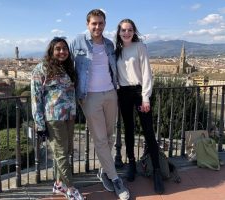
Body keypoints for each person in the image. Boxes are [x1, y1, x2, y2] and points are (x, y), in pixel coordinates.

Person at [70, 9, 130, 200]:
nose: (97, 27)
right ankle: (115, 178)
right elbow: (67, 65)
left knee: (110, 135)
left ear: (105, 24)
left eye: (101, 23)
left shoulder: (109, 44)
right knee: (101, 139)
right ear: (88, 24)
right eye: (94, 23)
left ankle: (104, 171)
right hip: (89, 97)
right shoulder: (77, 42)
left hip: (111, 93)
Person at [115, 18, 165, 194]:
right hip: (123, 94)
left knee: (148, 131)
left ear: (134, 31)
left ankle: (157, 170)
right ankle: (131, 163)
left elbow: (146, 73)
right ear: (119, 32)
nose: (126, 33)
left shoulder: (140, 47)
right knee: (128, 130)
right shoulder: (117, 50)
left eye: (129, 30)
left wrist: (145, 98)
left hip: (139, 92)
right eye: (123, 30)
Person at [31, 37, 84, 200]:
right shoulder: (41, 69)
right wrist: (40, 124)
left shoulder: (67, 68)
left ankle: (58, 184)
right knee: (61, 153)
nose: (62, 52)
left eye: (65, 49)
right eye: (58, 49)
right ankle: (71, 189)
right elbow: (36, 98)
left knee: (66, 152)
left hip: (69, 116)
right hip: (53, 118)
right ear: (51, 51)